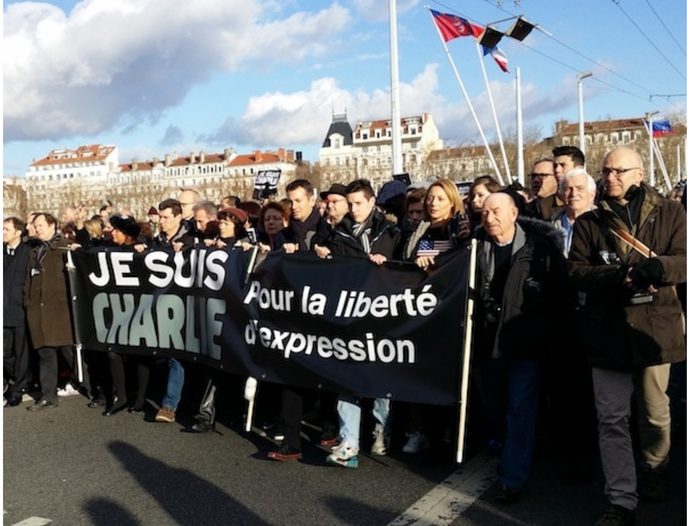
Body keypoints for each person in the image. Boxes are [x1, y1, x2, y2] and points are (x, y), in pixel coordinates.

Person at [568, 147, 686, 526]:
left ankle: (655, 466)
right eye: (606, 170)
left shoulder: (670, 212)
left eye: (619, 171)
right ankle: (621, 498)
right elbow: (577, 271)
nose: (610, 177)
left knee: (654, 412)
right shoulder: (590, 222)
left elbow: (685, 260)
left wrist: (657, 268)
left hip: (654, 325)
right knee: (612, 419)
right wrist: (619, 277)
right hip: (607, 330)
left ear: (639, 173)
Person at [474, 192, 572, 504]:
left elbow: (562, 297)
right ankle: (510, 448)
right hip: (488, 343)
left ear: (514, 213)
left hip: (525, 344)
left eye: (496, 212)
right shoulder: (475, 248)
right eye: (485, 212)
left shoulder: (540, 250)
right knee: (497, 406)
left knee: (520, 408)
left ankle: (512, 478)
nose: (489, 218)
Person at [315, 179, 400, 468]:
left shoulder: (390, 232)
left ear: (372, 201)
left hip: (380, 315)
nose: (353, 209)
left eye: (358, 204)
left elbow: (402, 266)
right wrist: (321, 252)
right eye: (349, 204)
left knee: (377, 378)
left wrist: (386, 262)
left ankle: (381, 429)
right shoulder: (337, 234)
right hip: (348, 315)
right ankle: (349, 440)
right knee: (346, 378)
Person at [400, 179, 470, 453]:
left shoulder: (460, 230)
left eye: (440, 198)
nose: (433, 203)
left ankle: (449, 433)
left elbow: (461, 263)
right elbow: (406, 265)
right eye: (430, 198)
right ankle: (424, 432)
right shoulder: (420, 231)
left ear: (452, 202)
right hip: (423, 314)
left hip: (451, 314)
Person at [102, 215, 154, 416]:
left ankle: (140, 397)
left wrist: (145, 252)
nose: (111, 233)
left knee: (141, 352)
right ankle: (121, 396)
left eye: (116, 230)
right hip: (120, 308)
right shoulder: (110, 249)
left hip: (143, 309)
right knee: (113, 351)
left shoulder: (144, 247)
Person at [24, 213, 77, 411]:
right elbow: (29, 282)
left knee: (70, 352)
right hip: (39, 311)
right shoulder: (35, 251)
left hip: (60, 311)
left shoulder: (65, 247)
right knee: (45, 354)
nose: (38, 229)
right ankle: (48, 396)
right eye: (35, 226)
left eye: (41, 225)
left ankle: (94, 388)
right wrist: (28, 303)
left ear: (52, 225)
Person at [3, 217, 33, 407]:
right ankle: (22, 378)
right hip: (3, 311)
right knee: (5, 352)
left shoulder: (28, 253)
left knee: (22, 352)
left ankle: (18, 388)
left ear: (18, 232)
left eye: (6, 229)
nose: (2, 233)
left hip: (21, 310)